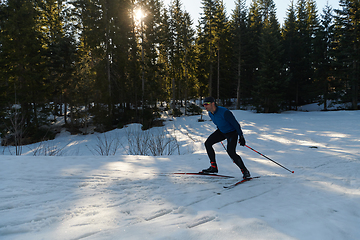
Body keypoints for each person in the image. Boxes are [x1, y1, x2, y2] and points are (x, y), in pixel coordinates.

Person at [201, 96, 250, 179]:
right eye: (204, 104)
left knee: (231, 152)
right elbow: (218, 122)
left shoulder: (224, 112)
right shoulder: (210, 113)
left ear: (213, 103)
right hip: (221, 131)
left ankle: (245, 171)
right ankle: (213, 167)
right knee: (208, 143)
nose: (205, 106)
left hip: (232, 133)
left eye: (207, 104)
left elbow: (236, 124)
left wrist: (241, 136)